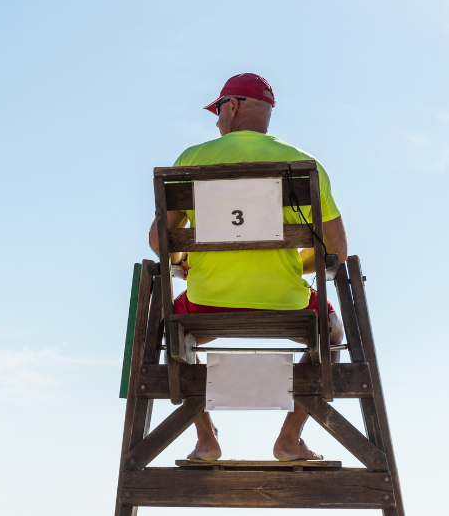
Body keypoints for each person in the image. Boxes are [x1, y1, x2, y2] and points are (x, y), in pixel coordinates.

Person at [148, 73, 348, 462]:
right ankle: (290, 440)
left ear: (233, 106)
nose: (216, 119)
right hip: (287, 301)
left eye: (218, 110)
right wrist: (294, 267)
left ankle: (206, 441)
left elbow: (161, 244)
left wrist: (184, 262)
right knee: (332, 331)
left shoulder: (191, 159)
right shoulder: (306, 165)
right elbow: (335, 251)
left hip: (206, 301)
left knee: (174, 335)